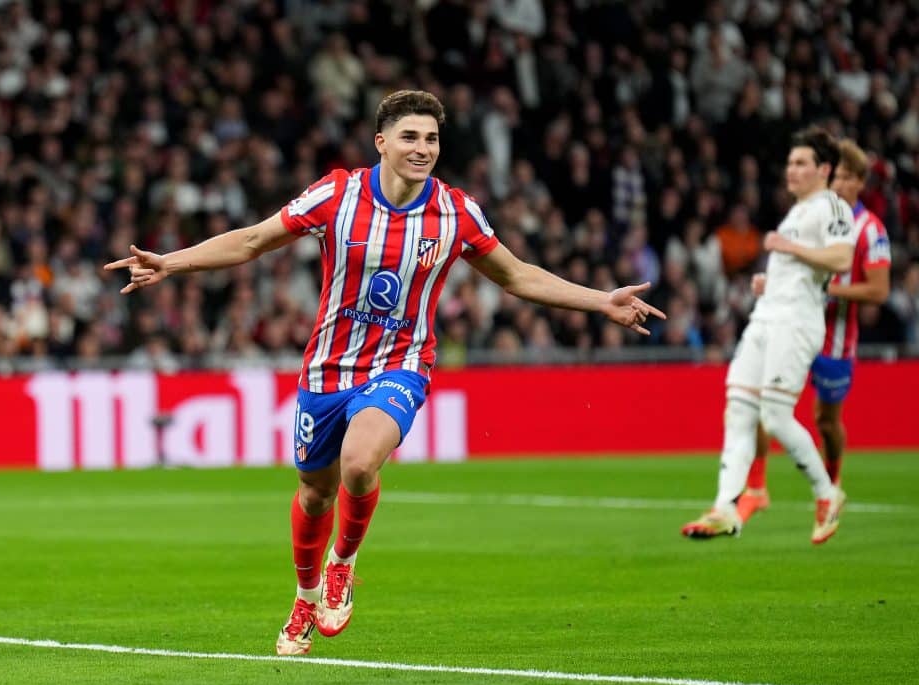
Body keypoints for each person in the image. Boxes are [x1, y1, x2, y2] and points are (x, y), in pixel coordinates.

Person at [105, 90, 666, 655]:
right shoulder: (337, 195)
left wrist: (601, 301)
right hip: (327, 369)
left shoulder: (455, 212)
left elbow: (516, 276)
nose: (423, 149)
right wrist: (170, 262)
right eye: (410, 137)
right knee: (315, 494)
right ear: (382, 142)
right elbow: (253, 239)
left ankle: (343, 566)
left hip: (400, 365)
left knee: (359, 461)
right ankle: (305, 597)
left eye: (432, 139)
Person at [680, 126, 854, 544]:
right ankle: (724, 507)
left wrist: (792, 251)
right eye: (790, 162)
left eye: (801, 163)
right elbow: (806, 271)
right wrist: (769, 283)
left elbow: (842, 257)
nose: (790, 170)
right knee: (738, 409)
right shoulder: (795, 213)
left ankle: (827, 493)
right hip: (767, 316)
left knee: (775, 416)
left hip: (795, 323)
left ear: (824, 169)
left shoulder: (832, 206)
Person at [736, 138, 891, 524]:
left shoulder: (870, 229)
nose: (836, 183)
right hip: (792, 322)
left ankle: (832, 481)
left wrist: (828, 288)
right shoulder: (809, 212)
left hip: (835, 338)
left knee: (825, 420)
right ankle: (756, 485)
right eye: (833, 175)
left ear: (858, 181)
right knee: (758, 401)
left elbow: (879, 290)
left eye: (843, 177)